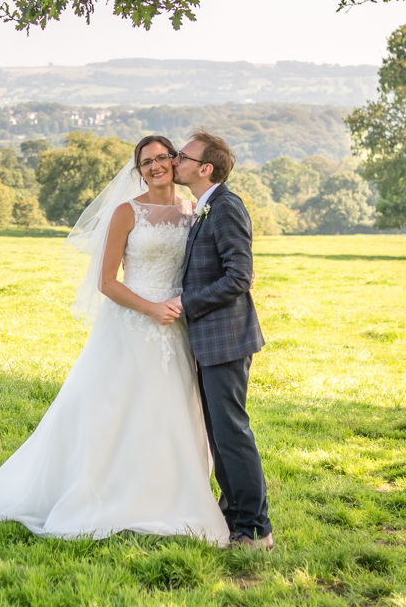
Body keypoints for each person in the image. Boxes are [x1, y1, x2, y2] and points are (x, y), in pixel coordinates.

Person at [0, 135, 230, 545]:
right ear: (137, 170)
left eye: (163, 158)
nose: (156, 166)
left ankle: (164, 495)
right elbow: (107, 282)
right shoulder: (127, 213)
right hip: (132, 323)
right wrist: (151, 309)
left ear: (177, 162)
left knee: (169, 411)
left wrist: (179, 308)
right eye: (146, 162)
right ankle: (102, 494)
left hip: (176, 326)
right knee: (113, 410)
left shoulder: (192, 210)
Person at [169, 130, 273, 550]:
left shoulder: (226, 207)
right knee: (220, 434)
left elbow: (239, 277)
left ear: (204, 168)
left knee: (231, 433)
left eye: (183, 155)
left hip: (226, 339)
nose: (176, 160)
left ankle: (255, 529)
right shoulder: (206, 206)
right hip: (209, 340)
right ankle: (233, 518)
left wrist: (186, 302)